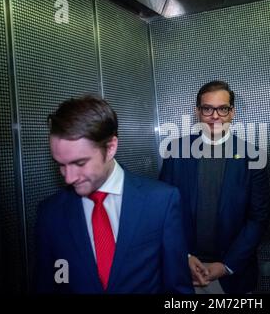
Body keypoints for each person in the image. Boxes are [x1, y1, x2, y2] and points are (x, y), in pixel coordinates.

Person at [35, 95, 193, 293]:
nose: (69, 178)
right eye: (61, 165)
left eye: (79, 163)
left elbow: (177, 288)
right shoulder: (50, 213)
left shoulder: (161, 202)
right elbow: (51, 284)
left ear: (110, 148)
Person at [159, 80, 269, 293]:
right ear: (197, 112)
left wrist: (226, 266)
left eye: (223, 109)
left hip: (233, 276)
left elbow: (259, 219)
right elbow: (163, 212)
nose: (215, 116)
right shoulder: (175, 151)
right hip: (184, 272)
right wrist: (185, 256)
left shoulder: (253, 156)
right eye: (207, 108)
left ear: (232, 112)